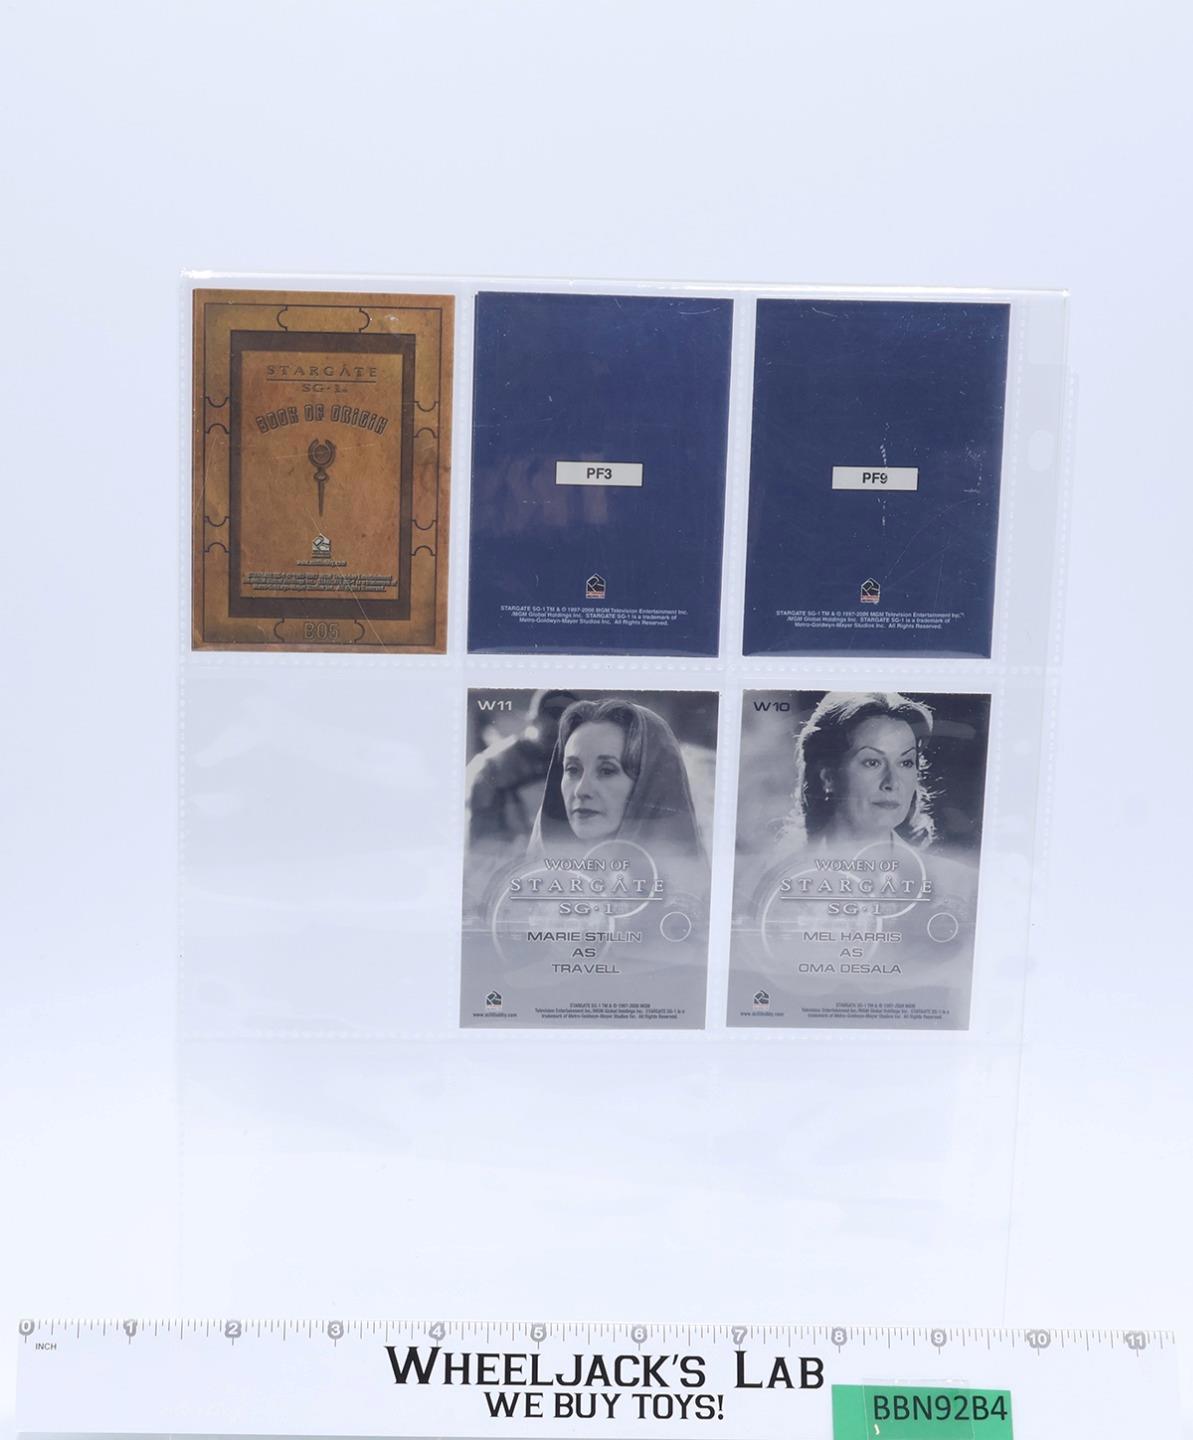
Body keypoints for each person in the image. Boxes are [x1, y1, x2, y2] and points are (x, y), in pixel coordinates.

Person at [529, 698, 705, 858]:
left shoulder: (681, 881)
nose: (581, 790)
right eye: (572, 770)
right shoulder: (536, 877)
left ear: (649, 784)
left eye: (606, 771)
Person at [786, 691, 936, 852]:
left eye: (905, 763)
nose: (892, 783)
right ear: (828, 777)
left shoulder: (940, 869)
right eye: (872, 762)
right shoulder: (790, 867)